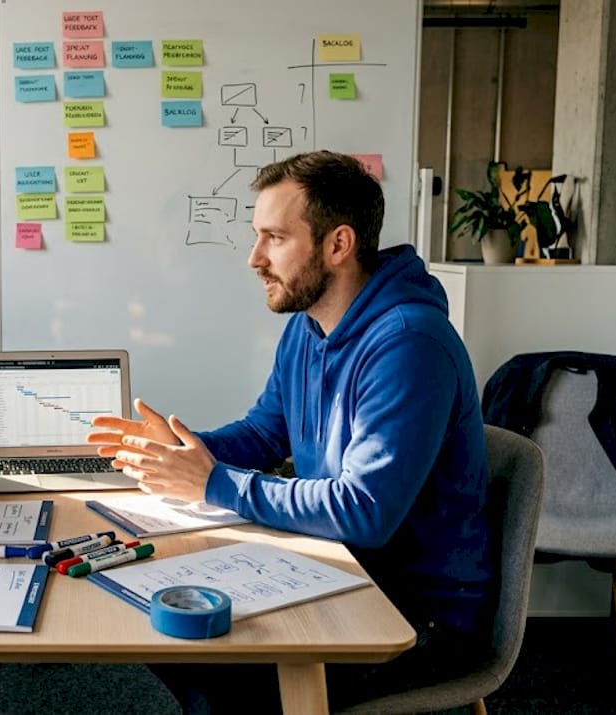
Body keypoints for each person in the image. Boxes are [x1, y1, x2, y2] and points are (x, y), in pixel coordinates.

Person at [87, 151, 493, 713]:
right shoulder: (309, 328)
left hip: (413, 612)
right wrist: (178, 454)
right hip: (337, 566)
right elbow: (264, 434)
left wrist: (212, 482)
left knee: (215, 668)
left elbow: (365, 512)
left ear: (338, 245)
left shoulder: (409, 343)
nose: (254, 258)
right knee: (171, 628)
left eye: (274, 238)